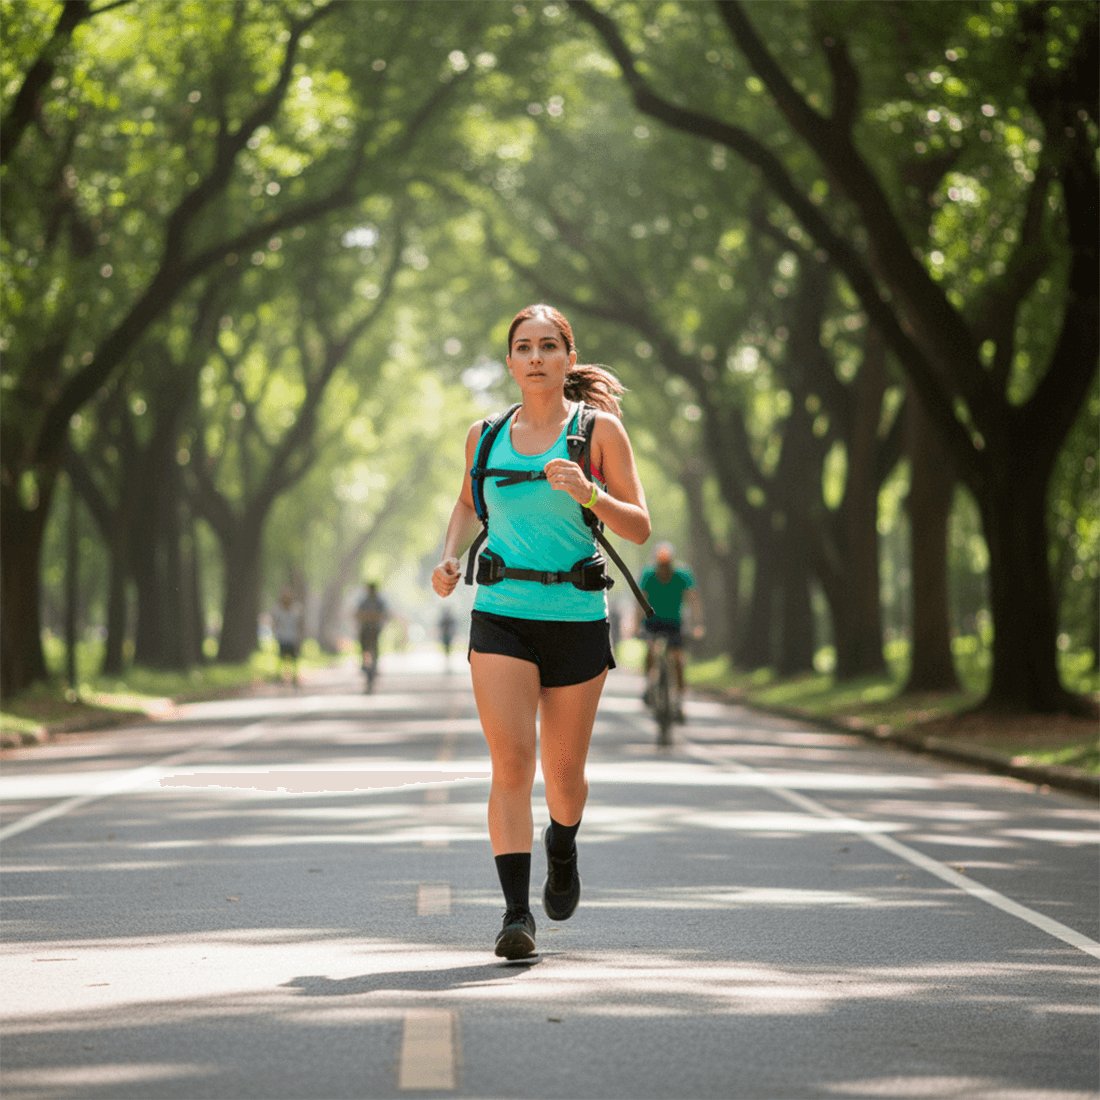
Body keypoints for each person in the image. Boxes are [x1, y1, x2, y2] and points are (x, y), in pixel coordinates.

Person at [432, 303, 651, 960]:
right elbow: (468, 502)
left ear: (567, 358)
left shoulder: (598, 431)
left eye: (549, 346)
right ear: (509, 362)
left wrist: (589, 492)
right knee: (511, 763)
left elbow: (638, 526)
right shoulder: (485, 435)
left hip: (577, 618)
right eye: (524, 347)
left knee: (563, 774)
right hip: (502, 612)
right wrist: (449, 558)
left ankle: (563, 845)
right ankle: (515, 914)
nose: (536, 357)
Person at [639, 542, 705, 719]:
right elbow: (640, 599)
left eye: (666, 564)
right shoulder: (648, 575)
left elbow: (694, 600)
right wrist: (635, 625)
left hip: (674, 622)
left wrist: (698, 624)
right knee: (651, 650)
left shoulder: (682, 575)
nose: (663, 568)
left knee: (677, 658)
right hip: (653, 621)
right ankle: (650, 684)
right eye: (661, 565)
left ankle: (679, 701)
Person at [356, 583, 388, 683]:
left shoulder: (376, 602)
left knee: (372, 647)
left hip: (373, 628)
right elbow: (357, 614)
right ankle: (367, 664)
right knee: (366, 648)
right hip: (367, 628)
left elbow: (385, 614)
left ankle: (373, 665)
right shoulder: (365, 601)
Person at [271, 587, 304, 686]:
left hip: (293, 638)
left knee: (294, 659)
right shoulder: (277, 610)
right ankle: (280, 677)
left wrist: (300, 636)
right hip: (282, 638)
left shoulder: (296, 610)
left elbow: (299, 624)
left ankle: (294, 677)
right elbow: (275, 623)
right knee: (281, 659)